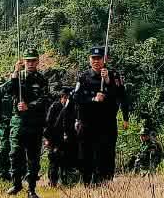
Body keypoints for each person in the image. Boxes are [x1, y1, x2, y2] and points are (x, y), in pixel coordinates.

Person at [72, 45, 128, 185]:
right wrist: (93, 99)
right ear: (89, 59)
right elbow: (76, 97)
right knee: (86, 153)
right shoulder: (84, 77)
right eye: (93, 58)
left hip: (107, 122)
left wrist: (108, 81)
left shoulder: (114, 75)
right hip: (88, 121)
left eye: (99, 58)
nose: (96, 61)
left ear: (105, 59)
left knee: (107, 152)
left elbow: (122, 96)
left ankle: (105, 181)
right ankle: (87, 181)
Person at [7, 48, 49, 198]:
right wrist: (14, 73)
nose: (30, 63)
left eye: (33, 60)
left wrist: (29, 106)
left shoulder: (42, 79)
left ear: (37, 61)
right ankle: (16, 183)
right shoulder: (18, 77)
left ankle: (31, 189)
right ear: (23, 62)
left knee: (33, 157)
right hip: (19, 122)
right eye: (27, 61)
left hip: (34, 123)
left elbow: (44, 99)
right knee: (15, 154)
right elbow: (9, 91)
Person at [44, 86, 77, 186]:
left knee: (67, 160)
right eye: (65, 97)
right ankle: (52, 181)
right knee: (54, 160)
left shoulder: (72, 107)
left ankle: (66, 180)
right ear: (62, 97)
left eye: (68, 98)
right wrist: (47, 139)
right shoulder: (55, 107)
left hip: (68, 137)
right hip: (55, 137)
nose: (66, 100)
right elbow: (48, 124)